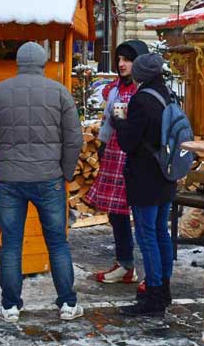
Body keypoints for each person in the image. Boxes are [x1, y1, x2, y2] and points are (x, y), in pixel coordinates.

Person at [0, 41, 84, 323]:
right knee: (57, 242)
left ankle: (10, 306)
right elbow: (74, 138)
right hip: (49, 179)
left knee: (11, 243)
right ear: (43, 63)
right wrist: (66, 172)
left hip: (10, 179)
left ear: (19, 62)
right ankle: (68, 304)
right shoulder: (60, 92)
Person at [113, 53, 176, 317]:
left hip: (145, 177)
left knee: (147, 235)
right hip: (166, 173)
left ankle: (152, 295)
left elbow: (129, 142)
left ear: (141, 74)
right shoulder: (169, 95)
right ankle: (164, 289)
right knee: (161, 232)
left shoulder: (141, 100)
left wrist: (120, 122)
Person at [85, 39, 149, 285]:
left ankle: (149, 274)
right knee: (116, 213)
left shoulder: (142, 91)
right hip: (114, 151)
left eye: (127, 60)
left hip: (134, 155)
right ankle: (125, 264)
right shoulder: (116, 88)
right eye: (119, 59)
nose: (121, 64)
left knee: (142, 216)